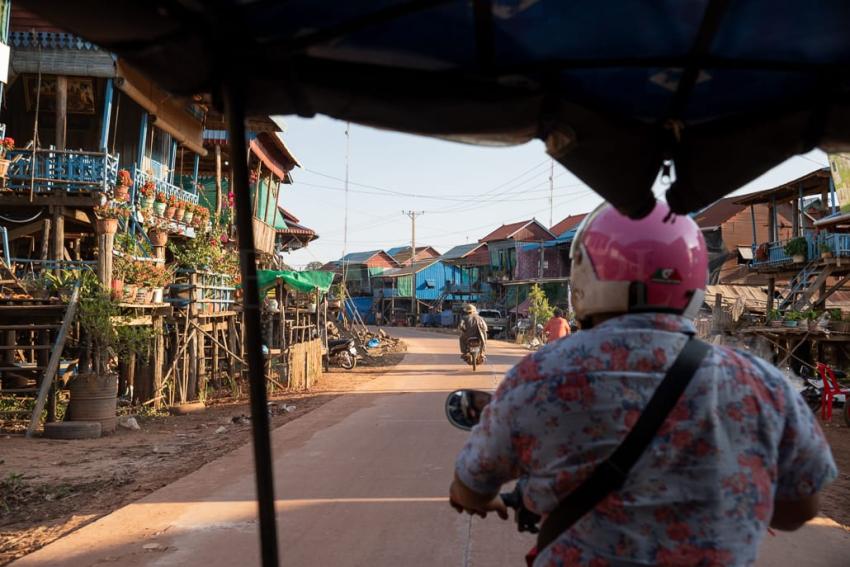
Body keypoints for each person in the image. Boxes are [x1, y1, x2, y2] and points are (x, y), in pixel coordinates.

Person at [450, 201, 837, 566]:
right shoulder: (761, 382)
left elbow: (470, 486)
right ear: (693, 276)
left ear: (585, 273)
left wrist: (487, 500)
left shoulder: (539, 377)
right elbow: (799, 508)